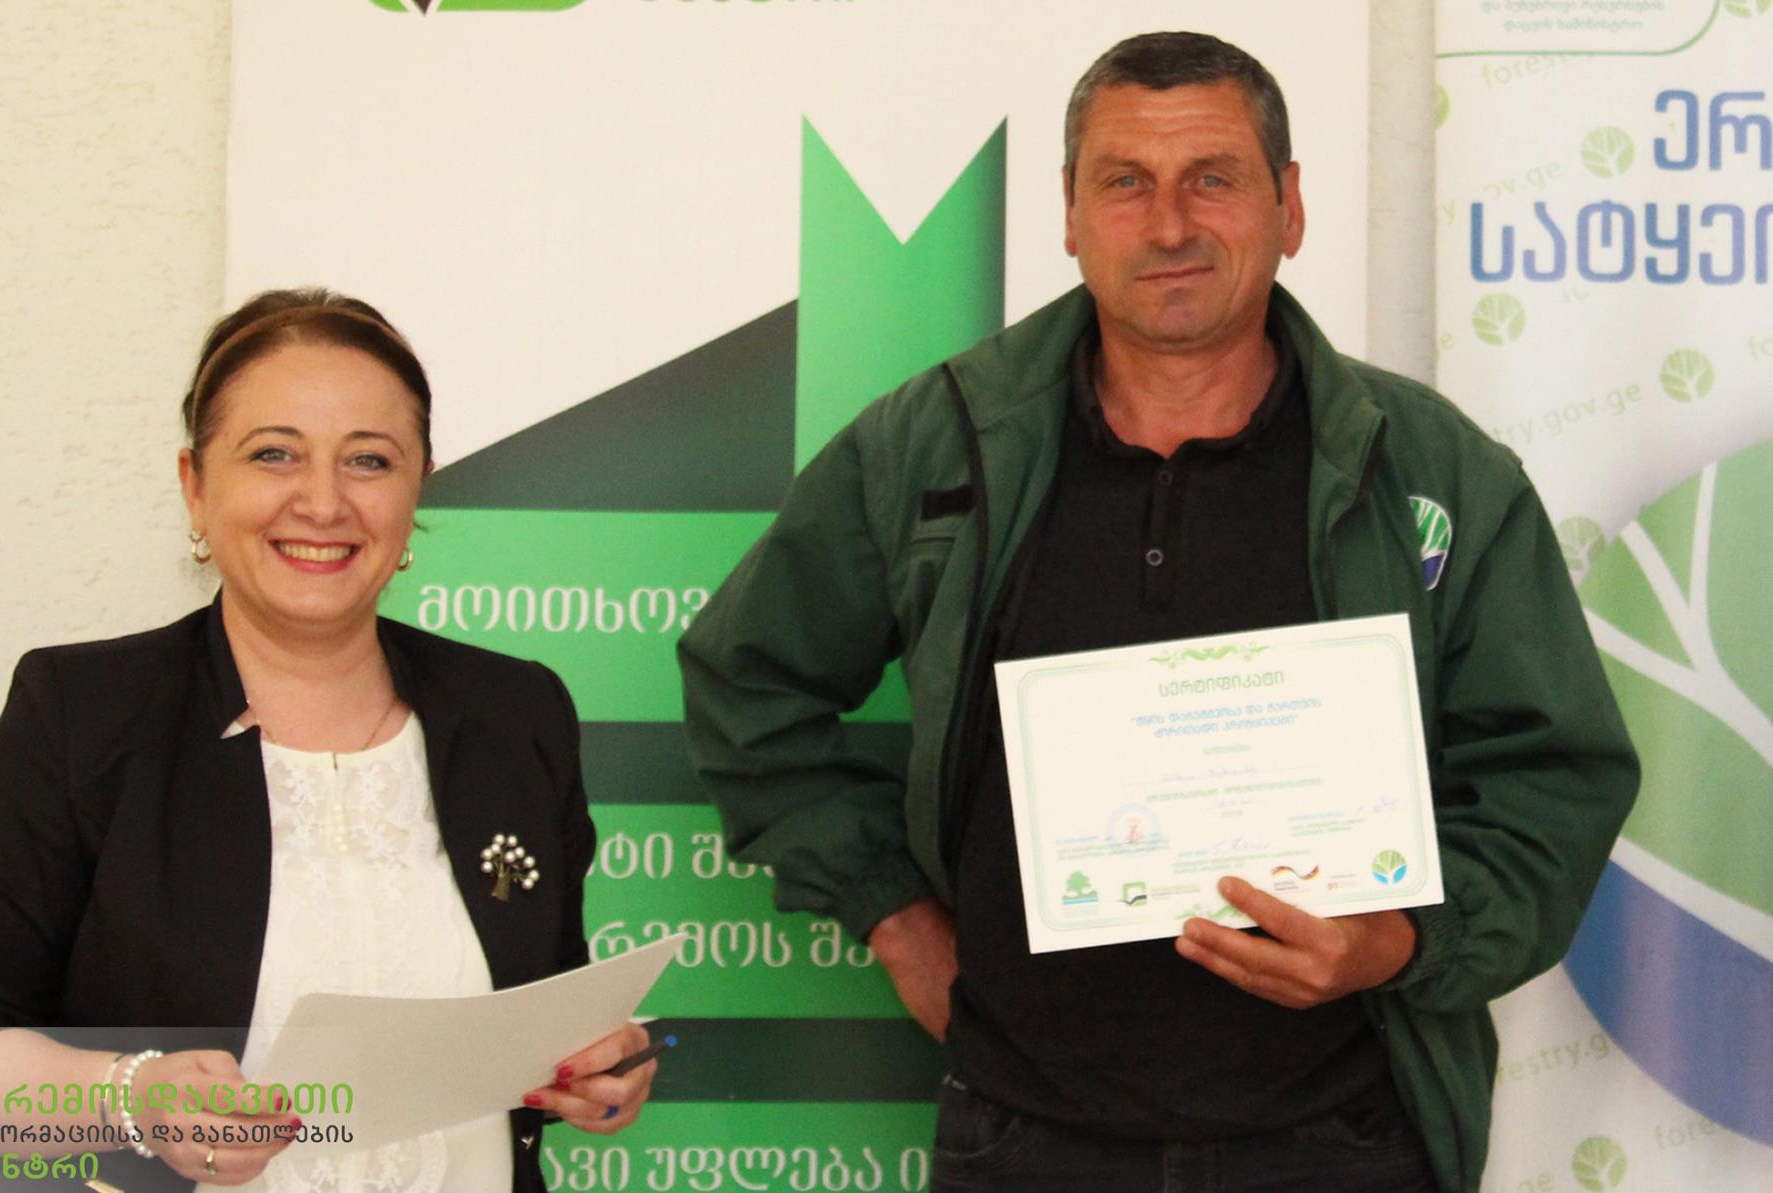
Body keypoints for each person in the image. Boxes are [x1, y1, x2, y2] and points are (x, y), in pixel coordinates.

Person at [678, 32, 1636, 1193]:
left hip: (1345, 1138)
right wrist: (887, 910)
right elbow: (746, 683)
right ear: (1069, 215)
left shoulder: (1430, 469)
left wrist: (1398, 941)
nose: (1168, 223)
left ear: (1287, 206)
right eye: (1124, 181)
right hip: (1022, 1139)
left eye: (1211, 178)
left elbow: (1551, 775)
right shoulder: (935, 446)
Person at [0, 289, 655, 1192]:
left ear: (418, 486)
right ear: (195, 483)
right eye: (274, 454)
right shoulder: (78, 717)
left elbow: (545, 1011)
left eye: (369, 460)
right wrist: (130, 1095)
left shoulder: (515, 713)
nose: (324, 502)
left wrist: (591, 1068)